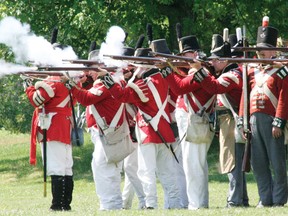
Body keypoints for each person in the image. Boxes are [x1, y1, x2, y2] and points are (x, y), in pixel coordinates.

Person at [98, 47, 181, 209]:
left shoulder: (142, 84)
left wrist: (106, 79)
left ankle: (150, 204)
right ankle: (174, 203)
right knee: (167, 172)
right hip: (164, 130)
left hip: (148, 131)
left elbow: (121, 96)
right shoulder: (162, 78)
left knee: (146, 171)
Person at [157, 37, 216, 209]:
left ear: (195, 54)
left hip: (195, 122)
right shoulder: (197, 70)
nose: (183, 57)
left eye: (186, 54)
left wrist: (166, 71)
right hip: (195, 122)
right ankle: (199, 202)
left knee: (193, 166)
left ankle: (196, 204)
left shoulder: (200, 71)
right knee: (196, 164)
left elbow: (179, 87)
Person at [194, 32, 249, 207]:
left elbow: (214, 87)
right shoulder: (228, 71)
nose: (212, 63)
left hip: (231, 120)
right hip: (227, 120)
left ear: (225, 60)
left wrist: (198, 70)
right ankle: (241, 199)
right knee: (235, 162)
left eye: (216, 59)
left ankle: (234, 200)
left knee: (232, 161)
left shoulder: (232, 74)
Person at [238, 21, 288, 207]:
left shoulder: (281, 71)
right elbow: (245, 95)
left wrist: (279, 122)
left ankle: (279, 199)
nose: (260, 52)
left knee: (277, 164)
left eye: (265, 49)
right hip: (253, 122)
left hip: (272, 121)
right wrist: (243, 123)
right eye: (259, 49)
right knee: (259, 164)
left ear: (273, 51)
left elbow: (285, 97)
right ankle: (265, 198)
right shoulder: (252, 71)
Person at [21, 72, 74, 211]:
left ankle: (57, 205)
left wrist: (28, 85)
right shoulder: (69, 81)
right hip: (64, 126)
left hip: (53, 128)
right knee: (66, 168)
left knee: (57, 167)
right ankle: (65, 205)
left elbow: (35, 100)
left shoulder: (53, 83)